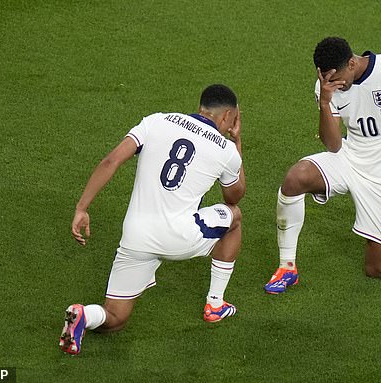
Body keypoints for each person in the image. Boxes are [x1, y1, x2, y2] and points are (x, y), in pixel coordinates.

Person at [60, 84, 246, 355]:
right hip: (179, 237)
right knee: (235, 218)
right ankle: (215, 304)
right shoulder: (225, 148)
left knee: (114, 317)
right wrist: (237, 143)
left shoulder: (156, 121)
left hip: (136, 237)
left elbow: (111, 161)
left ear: (200, 107)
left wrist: (82, 208)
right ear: (229, 116)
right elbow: (234, 196)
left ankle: (84, 314)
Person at [265, 37, 381, 293]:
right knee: (296, 178)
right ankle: (287, 267)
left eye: (337, 79)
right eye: (327, 80)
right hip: (348, 157)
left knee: (379, 269)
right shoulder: (327, 86)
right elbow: (333, 145)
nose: (334, 85)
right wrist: (325, 103)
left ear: (352, 63)